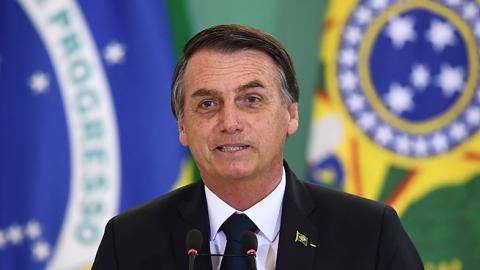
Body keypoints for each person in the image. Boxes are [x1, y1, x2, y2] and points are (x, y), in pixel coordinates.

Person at [92, 24, 424, 270]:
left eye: (251, 100)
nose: (230, 122)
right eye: (207, 104)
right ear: (183, 127)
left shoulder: (369, 233)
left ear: (291, 115)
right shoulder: (129, 242)